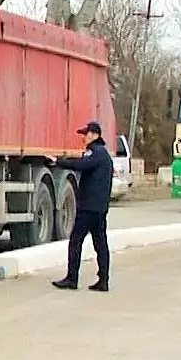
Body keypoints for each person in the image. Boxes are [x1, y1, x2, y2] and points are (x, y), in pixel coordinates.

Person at [50, 121, 113, 292]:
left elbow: (80, 165)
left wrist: (59, 162)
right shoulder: (104, 154)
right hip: (100, 208)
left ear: (94, 134)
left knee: (75, 241)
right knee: (100, 244)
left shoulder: (95, 151)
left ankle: (72, 278)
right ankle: (103, 280)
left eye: (86, 134)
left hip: (88, 208)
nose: (83, 138)